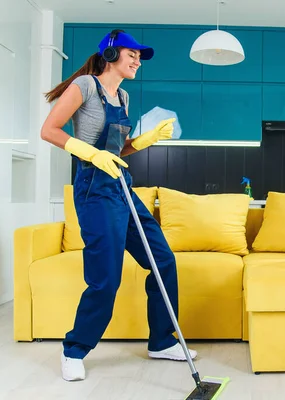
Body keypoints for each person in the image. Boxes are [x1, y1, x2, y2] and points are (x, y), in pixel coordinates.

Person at [41, 29, 196, 382]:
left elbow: (118, 150)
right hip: (94, 190)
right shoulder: (84, 86)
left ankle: (160, 341)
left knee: (162, 261)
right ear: (111, 55)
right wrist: (89, 152)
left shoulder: (123, 96)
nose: (138, 60)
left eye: (141, 56)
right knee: (105, 279)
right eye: (133, 54)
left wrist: (147, 139)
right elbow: (50, 130)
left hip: (122, 186)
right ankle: (74, 350)